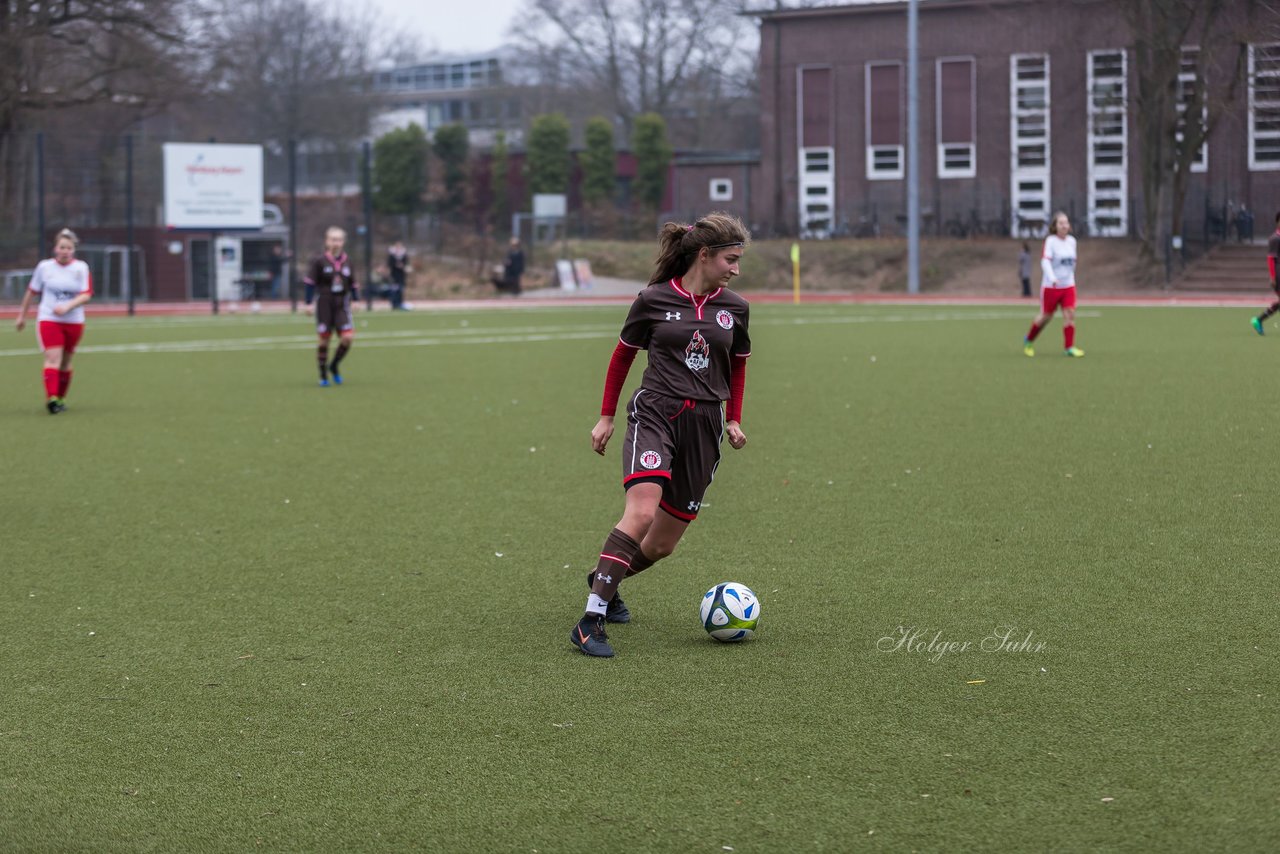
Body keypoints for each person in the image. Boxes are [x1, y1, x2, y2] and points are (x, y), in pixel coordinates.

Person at [569, 213, 752, 658]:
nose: (736, 269)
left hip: (705, 424)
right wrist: (606, 416)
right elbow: (622, 356)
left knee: (663, 544)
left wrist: (732, 418)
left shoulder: (736, 308)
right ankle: (591, 620)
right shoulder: (651, 299)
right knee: (642, 513)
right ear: (704, 255)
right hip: (655, 412)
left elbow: (738, 364)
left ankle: (604, 579)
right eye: (730, 259)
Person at [14, 228, 93, 414]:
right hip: (49, 318)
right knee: (52, 358)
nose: (65, 251)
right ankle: (52, 399)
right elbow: (31, 292)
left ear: (73, 250)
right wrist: (22, 316)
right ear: (55, 249)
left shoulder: (81, 268)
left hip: (73, 321)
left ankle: (61, 398)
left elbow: (86, 294)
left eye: (68, 247)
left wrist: (68, 306)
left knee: (65, 362)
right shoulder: (44, 267)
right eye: (61, 247)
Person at [1023, 212, 1084, 358]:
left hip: (1068, 286)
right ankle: (1029, 340)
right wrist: (1052, 277)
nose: (1064, 226)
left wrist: (1069, 279)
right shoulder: (1051, 241)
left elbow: (1071, 264)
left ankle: (1069, 347)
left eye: (1066, 223)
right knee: (1046, 316)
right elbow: (1045, 261)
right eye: (1061, 223)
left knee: (1070, 314)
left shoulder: (1072, 241)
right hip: (1051, 286)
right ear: (1055, 226)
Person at [302, 226, 359, 387]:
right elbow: (310, 283)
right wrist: (308, 303)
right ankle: (322, 373)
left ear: (343, 242)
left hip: (342, 303)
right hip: (324, 303)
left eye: (339, 240)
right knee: (323, 341)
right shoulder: (319, 261)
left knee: (347, 338)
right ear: (327, 241)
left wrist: (356, 300)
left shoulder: (348, 261)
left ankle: (334, 365)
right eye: (333, 239)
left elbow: (353, 283)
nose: (336, 243)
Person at [1250, 211, 1280, 335]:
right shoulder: (1275, 238)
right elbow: (1270, 259)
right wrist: (1272, 277)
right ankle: (1258, 320)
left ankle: (1259, 320)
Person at [386, 240, 409, 310]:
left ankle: (400, 303)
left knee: (401, 290)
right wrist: (396, 265)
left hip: (401, 276)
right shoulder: (392, 256)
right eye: (397, 247)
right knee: (394, 290)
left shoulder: (404, 255)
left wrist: (402, 266)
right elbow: (389, 264)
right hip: (394, 276)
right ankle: (394, 304)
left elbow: (406, 264)